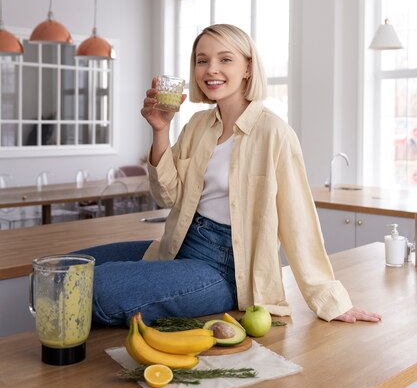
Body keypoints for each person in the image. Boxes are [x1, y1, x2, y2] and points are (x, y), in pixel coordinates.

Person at [78, 24, 381, 327]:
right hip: (179, 242)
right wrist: (161, 130)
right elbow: (167, 196)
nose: (211, 69)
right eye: (202, 60)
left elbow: (299, 220)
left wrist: (328, 299)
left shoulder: (274, 133)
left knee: (96, 288)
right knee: (64, 268)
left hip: (224, 269)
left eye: (225, 59)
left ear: (248, 68)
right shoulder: (197, 125)